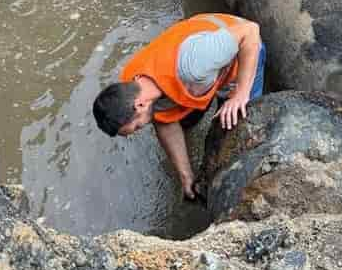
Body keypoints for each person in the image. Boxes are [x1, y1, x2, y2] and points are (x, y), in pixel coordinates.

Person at [92, 13, 264, 199]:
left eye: (138, 126)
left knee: (236, 123)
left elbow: (250, 31)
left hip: (241, 53)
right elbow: (164, 121)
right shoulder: (132, 85)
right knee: (187, 121)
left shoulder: (194, 64)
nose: (141, 128)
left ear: (140, 104)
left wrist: (241, 93)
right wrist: (186, 176)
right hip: (206, 71)